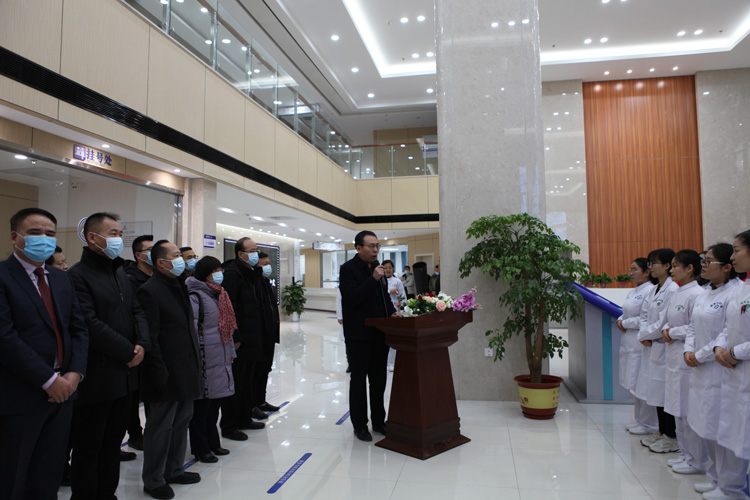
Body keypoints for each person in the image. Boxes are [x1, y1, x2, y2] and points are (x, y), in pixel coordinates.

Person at [0, 208, 89, 500]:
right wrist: (49, 380)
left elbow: (78, 329)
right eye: (35, 232)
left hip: (64, 394)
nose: (44, 239)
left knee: (48, 474)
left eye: (50, 234)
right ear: (15, 237)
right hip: (21, 394)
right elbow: (5, 338)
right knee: (13, 475)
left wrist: (74, 374)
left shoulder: (61, 279)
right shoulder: (3, 276)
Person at [67, 212, 150, 499]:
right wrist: (127, 351)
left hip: (124, 376)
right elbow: (89, 323)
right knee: (89, 445)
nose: (118, 239)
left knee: (112, 443)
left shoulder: (119, 272)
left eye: (119, 233)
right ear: (93, 237)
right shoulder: (77, 275)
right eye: (113, 233)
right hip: (96, 377)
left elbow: (136, 310)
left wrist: (142, 344)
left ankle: (107, 494)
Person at [137, 240, 202, 499]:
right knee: (160, 427)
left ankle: (174, 469)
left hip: (185, 367)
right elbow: (151, 336)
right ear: (161, 262)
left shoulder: (178, 285)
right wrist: (158, 370)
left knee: (182, 421)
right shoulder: (149, 291)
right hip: (165, 371)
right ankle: (154, 480)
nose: (181, 260)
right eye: (176, 256)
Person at [684, 243, 742, 496]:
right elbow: (692, 326)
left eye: (709, 261)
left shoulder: (734, 293)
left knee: (721, 429)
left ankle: (729, 484)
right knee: (704, 424)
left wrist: (699, 355)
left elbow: (726, 333)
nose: (704, 265)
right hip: (700, 369)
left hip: (720, 369)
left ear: (727, 267)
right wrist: (689, 350)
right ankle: (715, 476)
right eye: (703, 261)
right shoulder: (705, 292)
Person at [339, 230, 399, 442]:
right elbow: (352, 298)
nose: (375, 250)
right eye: (371, 246)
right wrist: (373, 279)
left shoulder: (378, 268)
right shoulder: (348, 269)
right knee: (358, 381)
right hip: (358, 335)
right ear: (358, 248)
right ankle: (359, 424)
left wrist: (392, 312)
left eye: (377, 246)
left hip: (379, 334)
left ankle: (379, 421)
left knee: (379, 381)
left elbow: (384, 298)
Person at [186, 256, 236, 463]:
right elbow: (192, 329)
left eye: (220, 269)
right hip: (205, 358)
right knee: (201, 407)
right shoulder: (196, 296)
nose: (219, 273)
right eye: (215, 270)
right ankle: (201, 447)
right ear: (205, 273)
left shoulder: (219, 294)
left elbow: (227, 330)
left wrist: (230, 353)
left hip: (220, 356)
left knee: (215, 404)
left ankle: (213, 442)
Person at [712, 230, 750, 500]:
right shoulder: (742, 287)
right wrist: (720, 347)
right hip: (733, 370)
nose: (733, 256)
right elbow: (728, 325)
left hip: (741, 363)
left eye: (737, 250)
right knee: (733, 430)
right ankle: (730, 488)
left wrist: (735, 351)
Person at [662, 249, 705, 474]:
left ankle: (696, 460)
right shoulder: (677, 292)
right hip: (672, 357)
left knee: (687, 410)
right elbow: (667, 320)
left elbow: (694, 327)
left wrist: (672, 332)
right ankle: (685, 454)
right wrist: (666, 329)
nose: (672, 270)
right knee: (677, 408)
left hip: (685, 357)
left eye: (676, 265)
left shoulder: (696, 294)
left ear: (690, 269)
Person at [220, 237, 265, 441]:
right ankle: (230, 425)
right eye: (252, 250)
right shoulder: (233, 274)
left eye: (256, 250)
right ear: (241, 254)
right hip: (240, 339)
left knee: (247, 381)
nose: (256, 254)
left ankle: (244, 417)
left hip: (252, 337)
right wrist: (235, 336)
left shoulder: (250, 273)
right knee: (235, 383)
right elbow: (231, 309)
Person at [635, 248, 679, 453]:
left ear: (667, 266)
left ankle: (670, 436)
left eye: (654, 263)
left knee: (664, 393)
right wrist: (643, 334)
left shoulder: (672, 290)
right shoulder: (654, 290)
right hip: (651, 345)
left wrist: (646, 335)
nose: (650, 267)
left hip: (661, 345)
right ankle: (662, 431)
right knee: (655, 391)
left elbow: (663, 321)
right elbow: (643, 316)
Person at [121, 233, 154, 451]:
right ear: (138, 255)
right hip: (138, 343)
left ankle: (153, 430)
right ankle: (135, 433)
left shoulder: (158, 276)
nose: (153, 252)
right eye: (149, 249)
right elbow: (134, 313)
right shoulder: (130, 279)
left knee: (153, 390)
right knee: (133, 394)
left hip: (156, 342)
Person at [617, 257, 657, 435]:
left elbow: (645, 319)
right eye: (630, 269)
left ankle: (649, 423)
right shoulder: (634, 291)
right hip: (629, 343)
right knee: (634, 384)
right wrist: (621, 320)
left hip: (640, 343)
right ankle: (640, 420)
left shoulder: (650, 290)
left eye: (635, 269)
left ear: (647, 272)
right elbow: (624, 311)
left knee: (642, 385)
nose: (630, 273)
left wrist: (624, 323)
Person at [255, 252, 281, 413]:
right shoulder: (254, 284)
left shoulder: (266, 283)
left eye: (268, 263)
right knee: (256, 372)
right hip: (259, 336)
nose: (268, 267)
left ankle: (261, 401)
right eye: (264, 264)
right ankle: (253, 404)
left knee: (265, 369)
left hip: (269, 336)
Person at [383, 260, 405, 371]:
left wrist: (402, 308)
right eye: (385, 268)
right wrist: (389, 291)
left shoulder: (397, 281)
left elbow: (403, 297)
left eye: (390, 268)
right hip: (382, 312)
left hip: (394, 312)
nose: (388, 270)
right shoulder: (380, 280)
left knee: (392, 337)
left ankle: (391, 362)